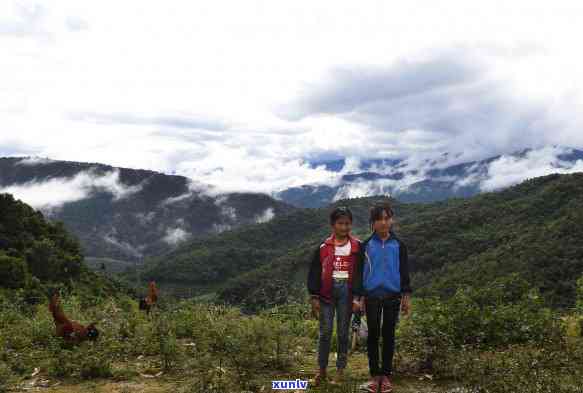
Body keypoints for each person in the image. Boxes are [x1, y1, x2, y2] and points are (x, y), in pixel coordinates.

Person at [353, 202, 412, 393]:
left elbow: (404, 272)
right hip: (371, 296)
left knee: (388, 336)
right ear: (373, 222)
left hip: (393, 296)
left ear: (392, 220)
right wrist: (359, 297)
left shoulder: (399, 245)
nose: (384, 222)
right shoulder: (366, 246)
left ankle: (385, 377)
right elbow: (359, 274)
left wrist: (406, 296)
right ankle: (374, 376)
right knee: (373, 336)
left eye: (387, 218)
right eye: (379, 219)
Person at [307, 206, 363, 386]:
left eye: (347, 223)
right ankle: (321, 370)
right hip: (326, 291)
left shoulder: (356, 247)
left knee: (342, 333)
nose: (344, 227)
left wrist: (358, 297)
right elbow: (315, 272)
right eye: (340, 223)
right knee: (325, 331)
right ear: (333, 225)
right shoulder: (324, 247)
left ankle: (340, 370)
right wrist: (314, 296)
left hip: (347, 292)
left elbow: (361, 273)